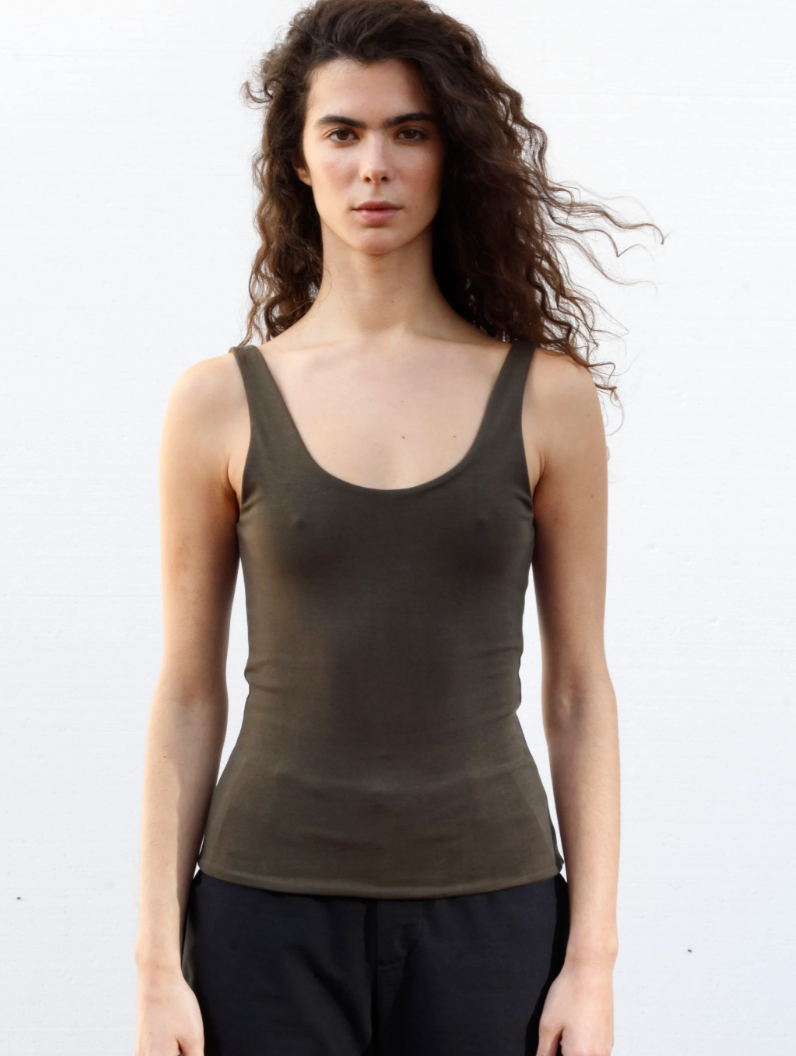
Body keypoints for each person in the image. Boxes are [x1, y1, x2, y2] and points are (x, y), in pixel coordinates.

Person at [133, 1, 662, 1053]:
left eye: (408, 132)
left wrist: (593, 961)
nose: (373, 166)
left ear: (449, 153)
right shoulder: (217, 403)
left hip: (495, 914)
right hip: (260, 916)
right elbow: (188, 693)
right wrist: (155, 968)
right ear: (298, 160)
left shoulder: (547, 400)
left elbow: (576, 688)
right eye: (342, 132)